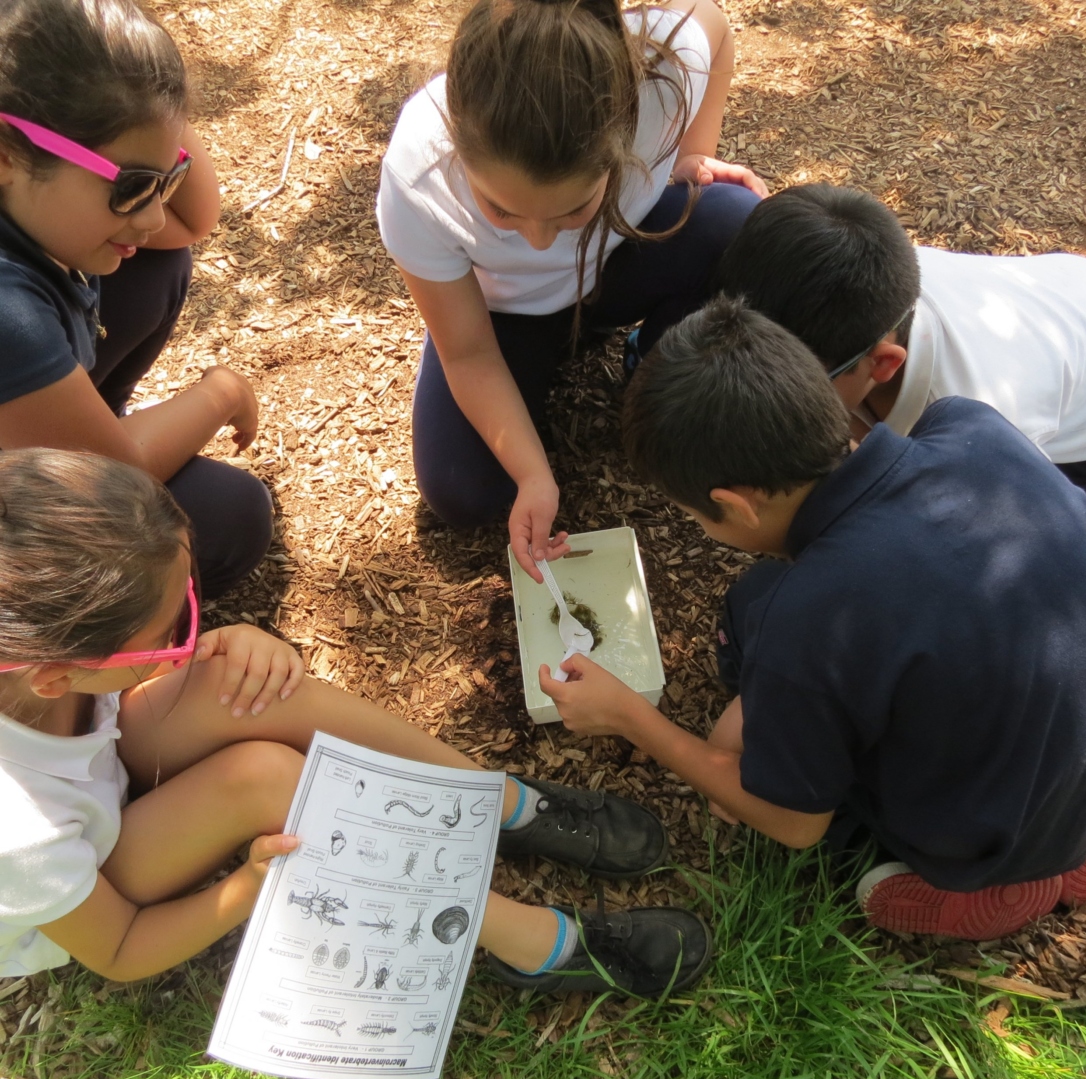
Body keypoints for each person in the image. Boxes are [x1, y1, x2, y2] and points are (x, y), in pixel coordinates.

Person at [0, 448, 710, 994]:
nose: (195, 627)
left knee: (245, 685)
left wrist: (225, 649)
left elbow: (127, 682)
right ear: (58, 672)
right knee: (265, 779)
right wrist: (241, 890)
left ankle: (492, 801)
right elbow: (122, 949)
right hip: (96, 883)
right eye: (175, 627)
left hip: (93, 771)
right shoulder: (17, 837)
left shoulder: (37, 656)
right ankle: (531, 945)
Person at [539, 297, 1086, 940]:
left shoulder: (811, 619)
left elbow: (793, 824)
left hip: (980, 840)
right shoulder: (970, 426)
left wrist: (629, 716)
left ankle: (973, 882)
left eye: (693, 515)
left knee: (767, 661)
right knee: (756, 605)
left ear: (734, 504)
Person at [376, 0, 765, 580]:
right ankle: (554, 349)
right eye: (501, 211)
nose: (537, 244)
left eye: (574, 208)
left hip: (617, 265)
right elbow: (468, 352)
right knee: (461, 492)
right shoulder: (418, 175)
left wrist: (692, 154)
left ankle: (657, 360)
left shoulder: (660, 72)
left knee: (737, 218)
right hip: (504, 317)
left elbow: (714, 26)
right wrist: (534, 473)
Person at [0, 0, 272, 599]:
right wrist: (219, 392)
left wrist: (143, 88)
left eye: (165, 177)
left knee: (157, 263)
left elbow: (193, 219)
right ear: (8, 155)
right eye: (131, 187)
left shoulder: (31, 195)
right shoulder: (7, 315)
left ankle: (81, 419)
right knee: (231, 518)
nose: (154, 214)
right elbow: (118, 473)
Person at [715, 182, 1086, 551]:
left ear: (883, 364)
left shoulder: (983, 417)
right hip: (1072, 300)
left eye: (796, 387)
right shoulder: (859, 288)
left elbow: (1018, 544)